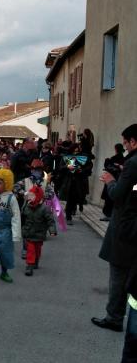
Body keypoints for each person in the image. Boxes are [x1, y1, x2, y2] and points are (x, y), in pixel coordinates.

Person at [92, 124, 137, 333]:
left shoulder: (133, 163)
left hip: (126, 226)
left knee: (118, 275)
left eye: (126, 143)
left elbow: (118, 195)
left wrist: (111, 181)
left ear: (133, 141)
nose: (125, 147)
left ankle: (114, 318)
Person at [21, 185, 57, 276]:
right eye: (29, 195)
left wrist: (52, 230)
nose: (30, 197)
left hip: (39, 233)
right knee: (30, 249)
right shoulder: (27, 206)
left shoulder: (44, 208)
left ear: (38, 197)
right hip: (29, 232)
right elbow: (22, 216)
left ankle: (36, 260)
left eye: (32, 196)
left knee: (37, 249)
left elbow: (50, 220)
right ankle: (29, 265)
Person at [100, 143, 125, 221]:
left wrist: (107, 161)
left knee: (109, 197)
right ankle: (110, 215)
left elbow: (108, 167)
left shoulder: (114, 158)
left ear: (116, 149)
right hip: (119, 181)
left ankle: (108, 215)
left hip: (111, 180)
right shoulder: (124, 159)